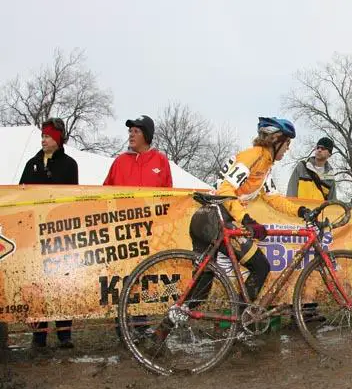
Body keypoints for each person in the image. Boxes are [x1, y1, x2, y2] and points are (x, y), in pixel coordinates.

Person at [189, 117, 301, 303]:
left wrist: (302, 211)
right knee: (260, 267)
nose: (288, 148)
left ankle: (172, 324)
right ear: (276, 139)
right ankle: (242, 323)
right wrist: (246, 219)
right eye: (287, 143)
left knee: (203, 282)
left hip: (205, 217)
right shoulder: (254, 156)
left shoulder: (264, 165)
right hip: (213, 219)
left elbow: (273, 198)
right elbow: (226, 188)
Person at [19, 118, 79, 349]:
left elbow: (69, 197)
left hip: (59, 233)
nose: (44, 140)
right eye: (42, 136)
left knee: (62, 281)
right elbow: (21, 194)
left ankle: (64, 333)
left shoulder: (69, 164)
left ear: (58, 138)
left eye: (48, 136)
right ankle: (39, 334)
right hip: (34, 233)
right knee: (37, 284)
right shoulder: (32, 163)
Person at [104, 115, 173, 187]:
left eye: (136, 131)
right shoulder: (119, 161)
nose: (131, 135)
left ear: (147, 135)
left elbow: (168, 194)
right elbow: (105, 192)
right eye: (130, 131)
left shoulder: (161, 160)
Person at [286, 136, 337, 201]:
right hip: (300, 210)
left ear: (329, 154)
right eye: (318, 147)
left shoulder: (330, 176)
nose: (319, 150)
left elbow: (332, 202)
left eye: (323, 148)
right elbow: (291, 191)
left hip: (319, 211)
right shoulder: (302, 166)